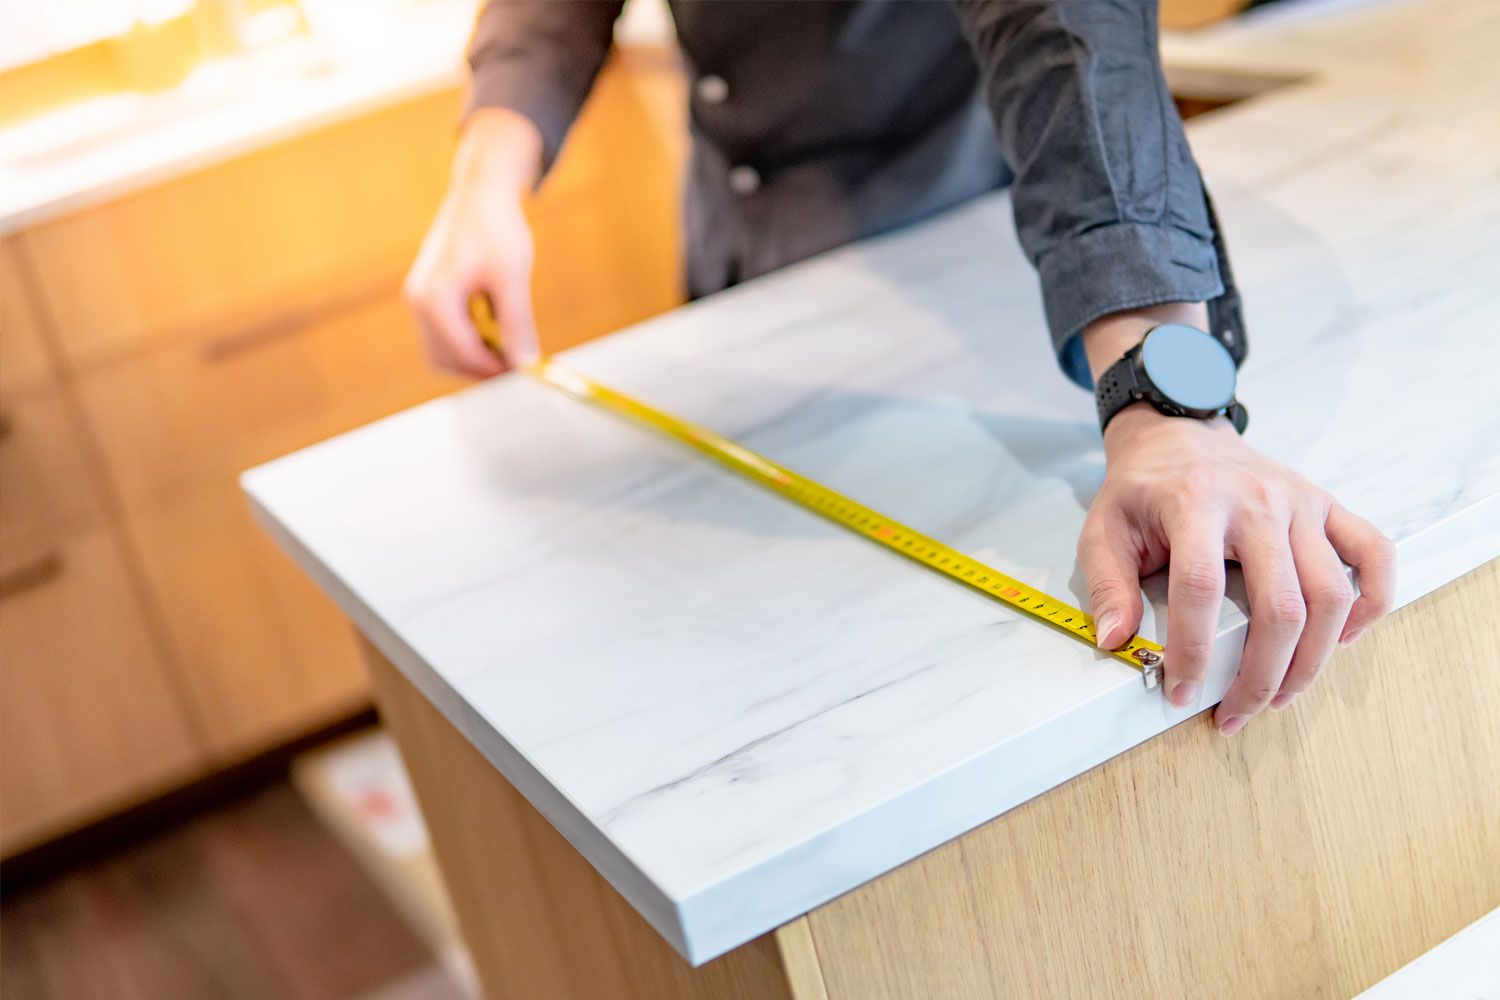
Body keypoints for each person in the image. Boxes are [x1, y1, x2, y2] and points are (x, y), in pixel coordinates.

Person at [404, 0, 1394, 737]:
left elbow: (1063, 25)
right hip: (736, 253)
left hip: (971, 244)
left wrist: (1163, 400)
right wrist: (489, 166)